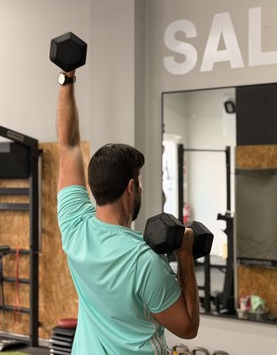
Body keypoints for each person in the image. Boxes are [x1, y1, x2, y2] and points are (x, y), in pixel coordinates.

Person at [56, 68, 200, 354]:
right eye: (141, 182)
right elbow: (187, 327)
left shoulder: (74, 227)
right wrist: (185, 254)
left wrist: (66, 77)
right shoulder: (143, 260)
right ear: (132, 187)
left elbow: (68, 144)